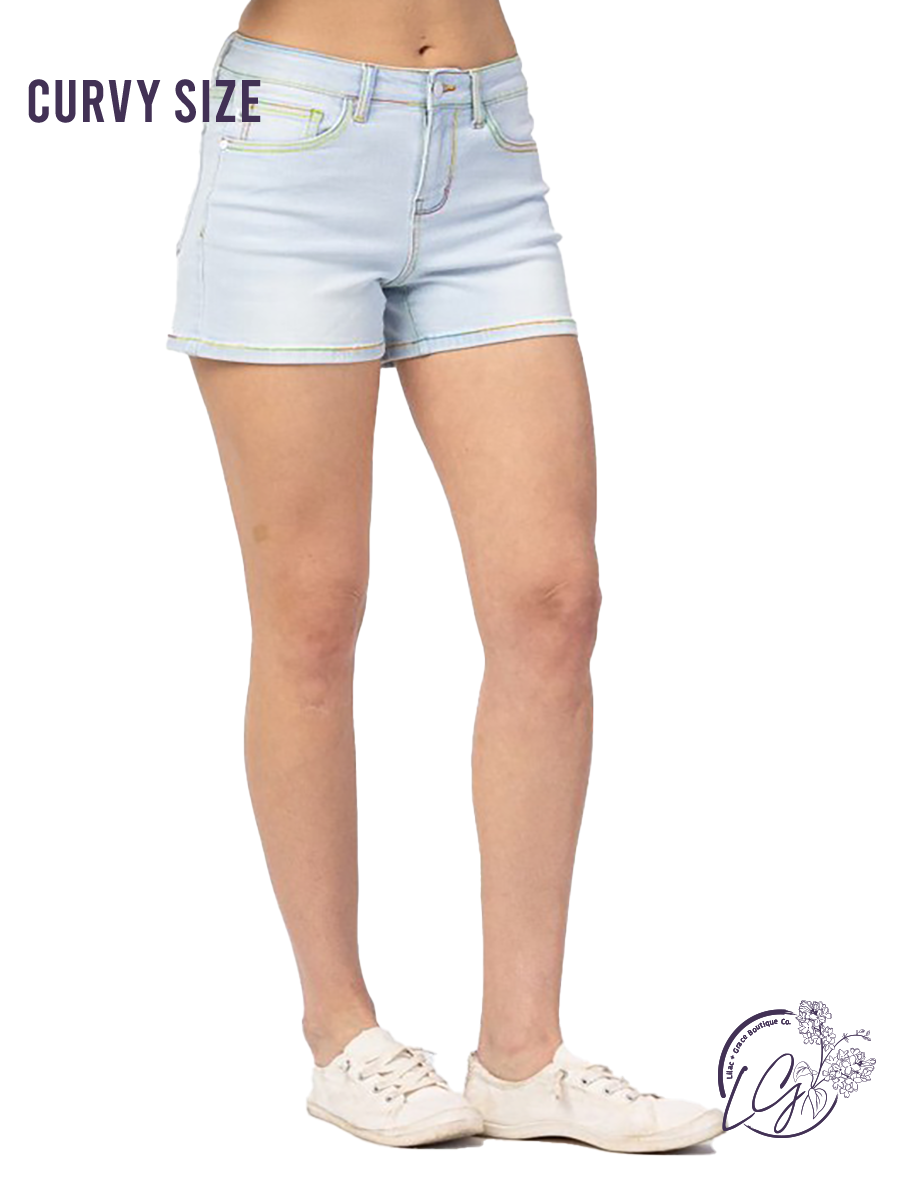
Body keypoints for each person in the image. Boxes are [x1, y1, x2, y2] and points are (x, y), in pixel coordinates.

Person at [168, 0, 723, 1151]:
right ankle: (342, 1034)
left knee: (552, 601)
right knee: (311, 612)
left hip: (484, 146)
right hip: (293, 137)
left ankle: (523, 1053)